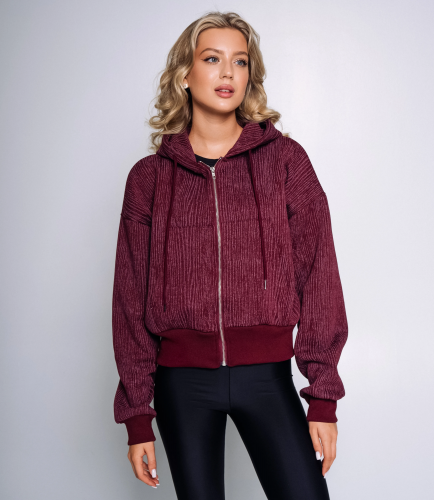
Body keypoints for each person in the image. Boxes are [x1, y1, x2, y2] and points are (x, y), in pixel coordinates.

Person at [111, 11, 348, 500]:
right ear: (184, 74)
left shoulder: (286, 161)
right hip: (181, 386)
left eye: (239, 61)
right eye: (212, 59)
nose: (227, 73)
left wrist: (323, 397)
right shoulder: (149, 179)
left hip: (267, 377)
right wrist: (137, 415)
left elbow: (319, 273)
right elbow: (129, 298)